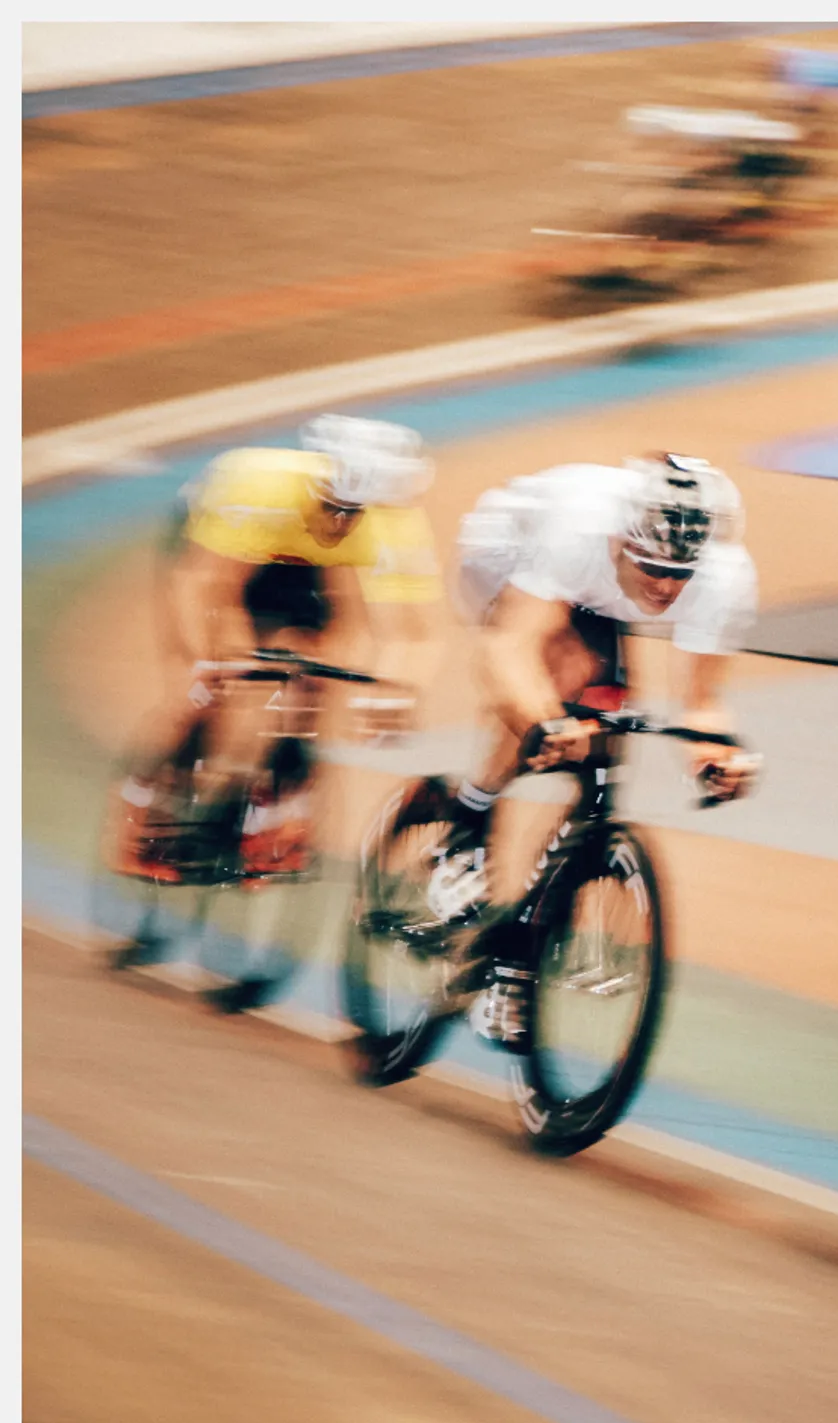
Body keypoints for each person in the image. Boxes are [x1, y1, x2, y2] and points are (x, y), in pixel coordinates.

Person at [434, 452, 760, 1046]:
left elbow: (703, 704)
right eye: (651, 567)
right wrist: (542, 722)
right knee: (558, 680)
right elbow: (506, 650)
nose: (664, 586)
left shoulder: (724, 576)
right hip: (507, 553)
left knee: (603, 742)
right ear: (620, 540)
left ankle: (515, 962)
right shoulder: (576, 533)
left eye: (679, 574)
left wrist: (716, 756)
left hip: (595, 592)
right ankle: (467, 821)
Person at [116, 414, 436, 881]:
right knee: (202, 688)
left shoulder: (394, 523)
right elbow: (205, 586)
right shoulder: (259, 487)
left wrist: (386, 694)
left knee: (315, 679)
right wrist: (212, 660)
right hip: (229, 555)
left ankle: (275, 811)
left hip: (305, 565)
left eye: (355, 512)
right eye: (333, 507)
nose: (342, 521)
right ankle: (145, 811)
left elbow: (402, 629)